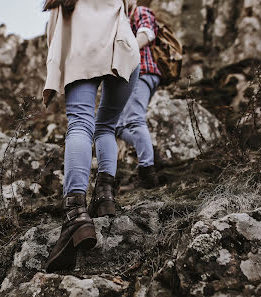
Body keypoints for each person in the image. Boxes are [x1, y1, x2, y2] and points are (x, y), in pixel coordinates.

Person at [42, 0, 140, 272]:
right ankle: (105, 196)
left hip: (83, 52)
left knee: (80, 124)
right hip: (124, 51)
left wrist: (54, 74)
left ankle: (75, 215)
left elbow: (53, 34)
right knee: (106, 125)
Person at [115, 0, 161, 188]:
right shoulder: (120, 19)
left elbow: (147, 33)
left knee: (134, 119)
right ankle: (148, 148)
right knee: (116, 125)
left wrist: (125, 51)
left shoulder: (140, 11)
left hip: (143, 72)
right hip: (128, 78)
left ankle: (148, 174)